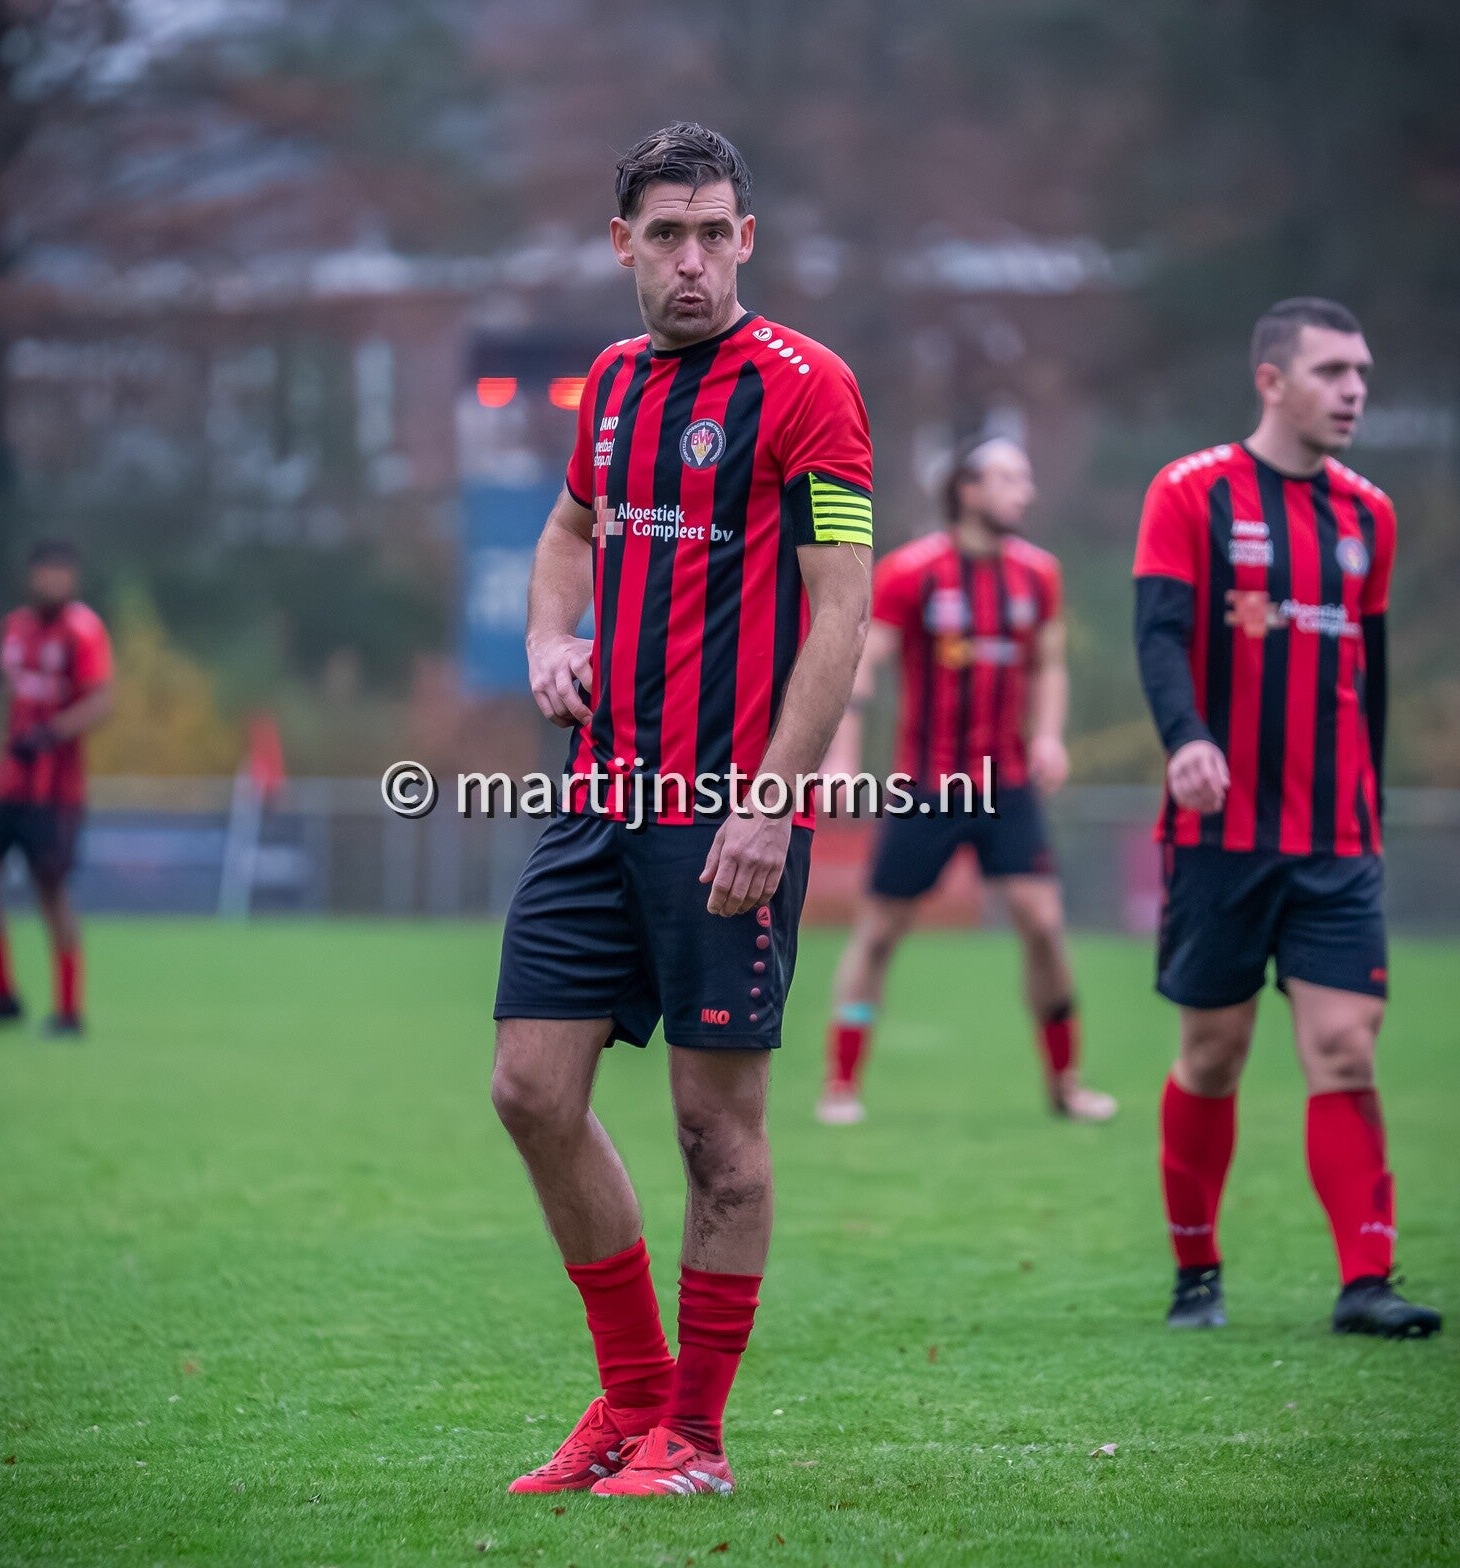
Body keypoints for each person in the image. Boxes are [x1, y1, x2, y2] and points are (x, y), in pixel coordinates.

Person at [491, 123, 873, 1499]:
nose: (694, 260)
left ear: (747, 240)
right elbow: (567, 530)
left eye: (716, 233)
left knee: (717, 1133)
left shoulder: (808, 387)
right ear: (624, 247)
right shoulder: (607, 385)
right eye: (668, 235)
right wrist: (549, 639)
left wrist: (770, 805)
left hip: (727, 814)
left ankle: (694, 1440)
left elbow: (843, 610)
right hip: (598, 800)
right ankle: (634, 1399)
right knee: (531, 1091)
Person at [1133, 297, 1440, 1337]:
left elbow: (1372, 675)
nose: (1354, 390)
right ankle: (1195, 1269)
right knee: (1213, 1051)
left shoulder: (1369, 515)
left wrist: (1371, 803)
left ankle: (1366, 1280)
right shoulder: (1189, 491)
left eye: (1361, 372)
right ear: (1270, 380)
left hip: (1336, 839)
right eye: (1331, 371)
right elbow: (1159, 633)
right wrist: (1185, 737)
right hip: (1219, 834)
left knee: (1344, 1045)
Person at [817, 436, 1117, 1126]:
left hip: (1006, 786)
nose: (1025, 491)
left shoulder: (1039, 575)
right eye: (1010, 478)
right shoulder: (911, 572)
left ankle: (1066, 1084)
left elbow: (1050, 667)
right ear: (968, 490)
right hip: (926, 786)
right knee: (880, 933)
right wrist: (842, 756)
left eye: (1026, 478)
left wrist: (1048, 736)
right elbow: (864, 666)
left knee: (1043, 923)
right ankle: (841, 1084)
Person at [0, 540, 115, 1038]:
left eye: (61, 574)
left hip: (56, 789)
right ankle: (1, 997)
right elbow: (9, 701)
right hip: (8, 783)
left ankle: (68, 1011)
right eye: (46, 572)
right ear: (31, 576)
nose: (53, 581)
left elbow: (102, 702)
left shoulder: (83, 630)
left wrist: (52, 732)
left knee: (51, 888)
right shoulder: (13, 628)